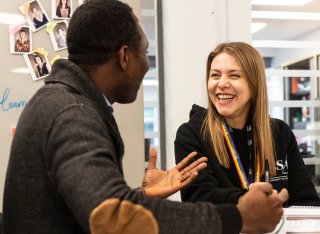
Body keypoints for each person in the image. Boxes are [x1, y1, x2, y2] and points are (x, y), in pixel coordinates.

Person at [2, 1, 288, 234]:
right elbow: (112, 217)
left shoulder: (67, 102)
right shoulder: (71, 113)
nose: (147, 66)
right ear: (125, 57)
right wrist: (237, 218)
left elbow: (93, 205)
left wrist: (143, 195)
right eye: (145, 53)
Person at [175, 42, 320, 207]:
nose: (221, 84)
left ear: (254, 83)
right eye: (215, 75)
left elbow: (307, 201)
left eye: (234, 75)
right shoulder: (191, 134)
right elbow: (198, 198)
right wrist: (250, 198)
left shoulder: (279, 132)